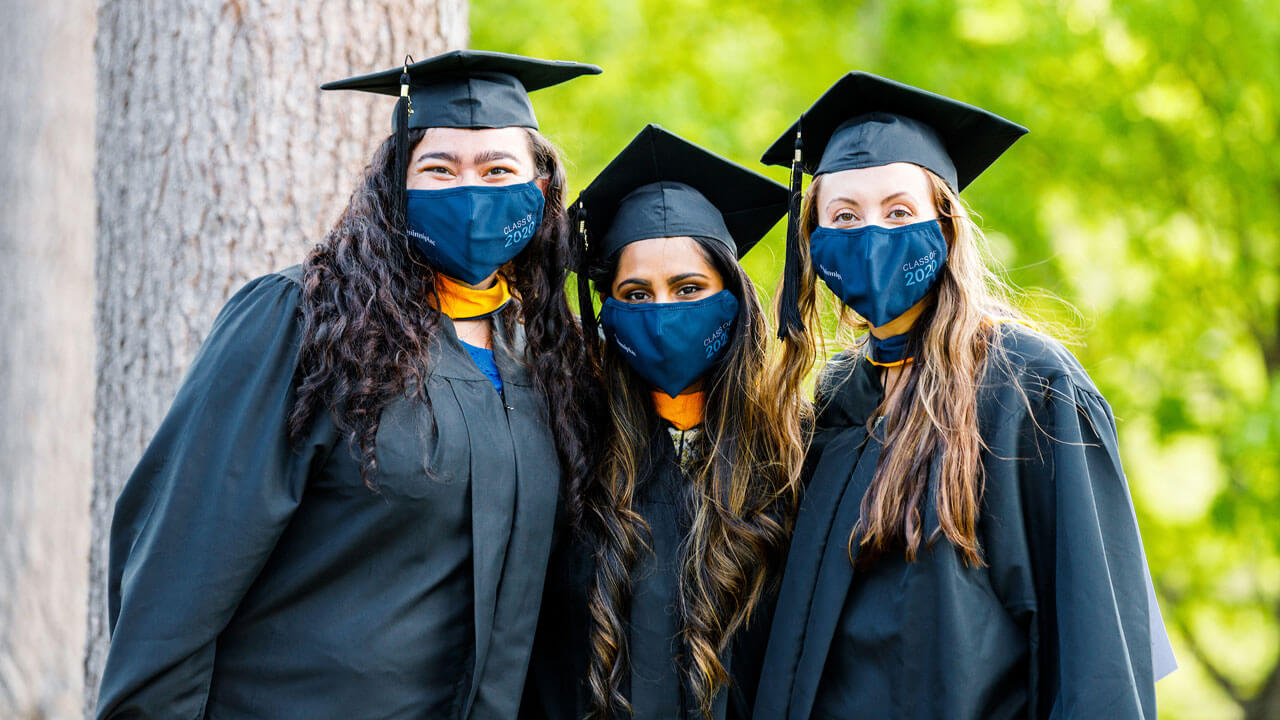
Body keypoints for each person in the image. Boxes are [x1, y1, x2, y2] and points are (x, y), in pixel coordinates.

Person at [94, 50, 600, 720]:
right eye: (439, 168)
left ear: (540, 192)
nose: (471, 191)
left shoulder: (544, 356)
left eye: (498, 169)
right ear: (395, 184)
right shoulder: (304, 323)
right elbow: (178, 579)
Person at [753, 72, 1176, 720]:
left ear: (945, 226)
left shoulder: (1029, 392)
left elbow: (1099, 666)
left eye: (899, 212)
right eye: (843, 217)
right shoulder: (835, 400)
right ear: (812, 243)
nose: (871, 236)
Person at [520, 125, 809, 720]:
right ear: (606, 313)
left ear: (735, 298)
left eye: (688, 288)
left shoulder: (798, 454)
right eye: (636, 293)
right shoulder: (567, 453)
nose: (662, 313)